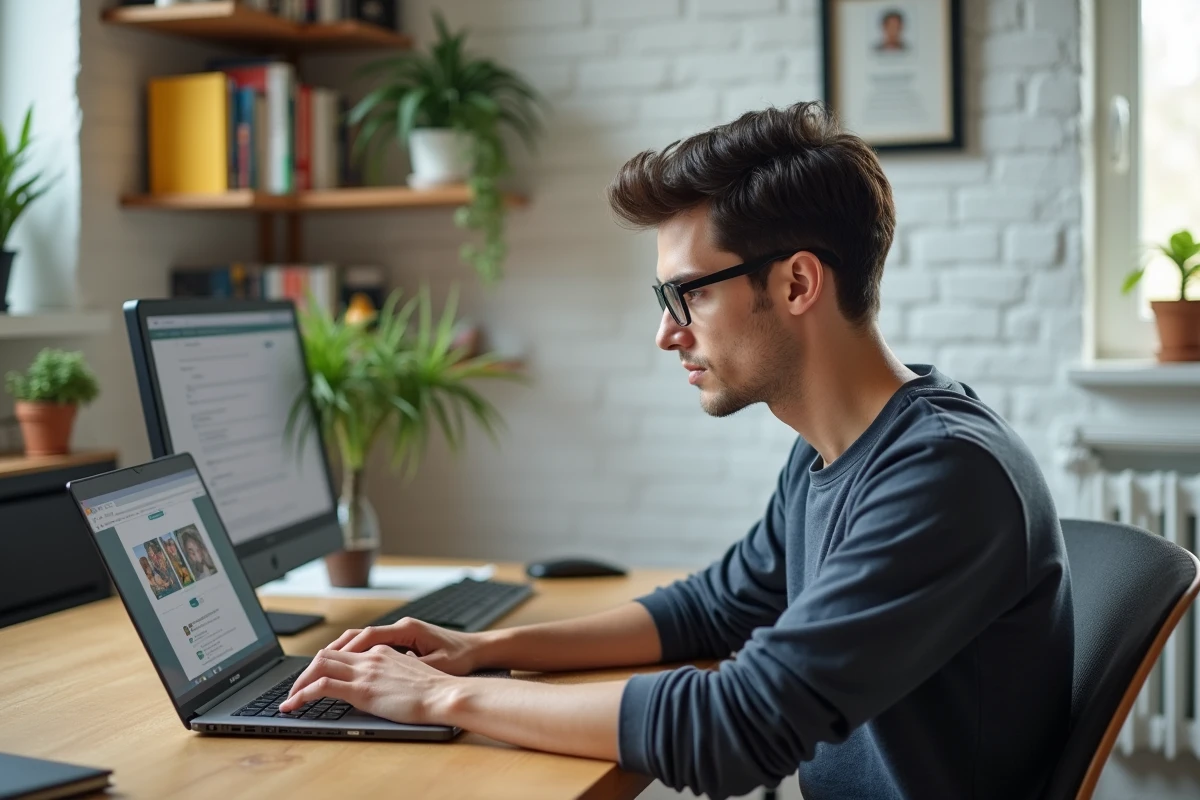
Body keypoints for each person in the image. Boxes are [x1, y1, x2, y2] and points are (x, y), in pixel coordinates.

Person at [281, 102, 1073, 800]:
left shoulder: (943, 476)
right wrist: (482, 649)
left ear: (798, 284)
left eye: (689, 293)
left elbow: (738, 729)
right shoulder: (834, 451)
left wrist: (440, 697)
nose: (667, 333)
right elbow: (712, 609)